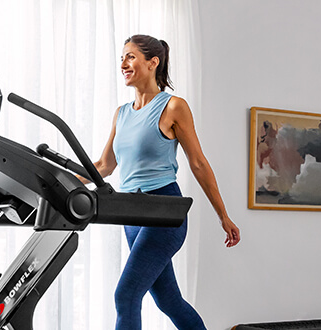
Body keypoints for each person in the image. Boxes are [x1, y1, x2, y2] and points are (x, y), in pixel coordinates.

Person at [88, 34, 241, 330]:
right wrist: (59, 180)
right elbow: (104, 166)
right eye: (121, 58)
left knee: (126, 295)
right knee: (168, 300)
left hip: (163, 210)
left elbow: (198, 162)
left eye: (130, 56)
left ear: (152, 62)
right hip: (130, 215)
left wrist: (223, 215)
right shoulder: (121, 114)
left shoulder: (173, 107)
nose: (123, 63)